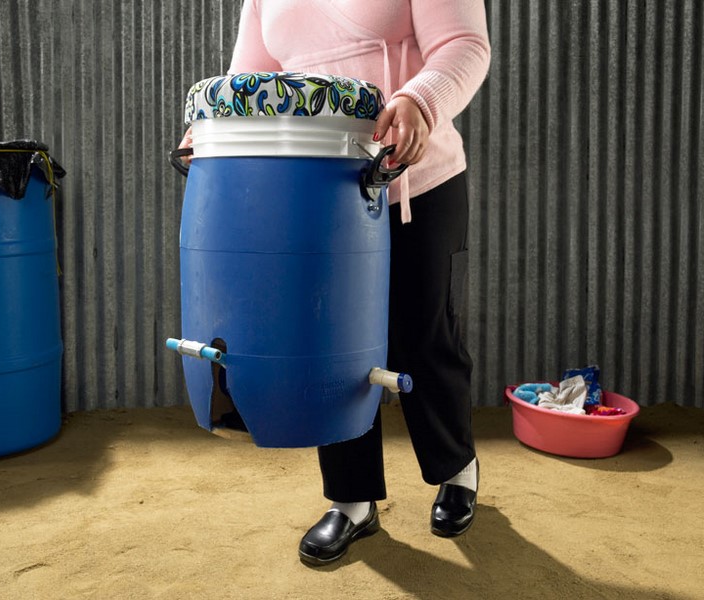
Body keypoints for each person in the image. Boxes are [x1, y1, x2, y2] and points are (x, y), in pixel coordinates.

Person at [181, 0, 491, 566]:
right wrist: (215, 130)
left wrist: (419, 101)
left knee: (425, 336)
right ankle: (352, 500)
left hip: (412, 177)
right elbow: (248, 84)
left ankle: (456, 469)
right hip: (313, 188)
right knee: (330, 344)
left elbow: (464, 45)